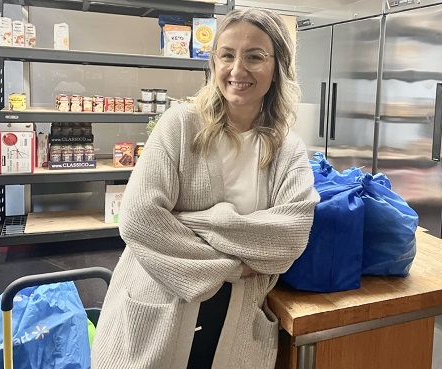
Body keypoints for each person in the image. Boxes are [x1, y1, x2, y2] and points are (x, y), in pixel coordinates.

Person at [91, 7, 320, 369]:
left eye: (255, 57)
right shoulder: (180, 125)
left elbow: (289, 238)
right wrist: (235, 266)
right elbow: (138, 220)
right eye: (226, 55)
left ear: (278, 67)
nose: (237, 70)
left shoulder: (288, 149)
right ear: (213, 63)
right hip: (157, 315)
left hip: (237, 326)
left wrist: (188, 221)